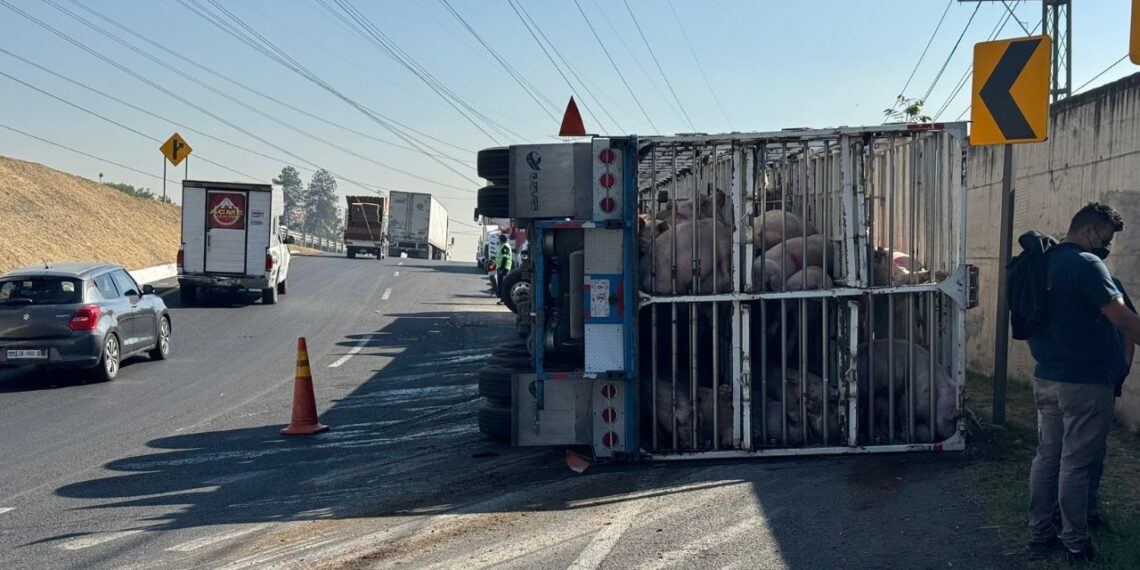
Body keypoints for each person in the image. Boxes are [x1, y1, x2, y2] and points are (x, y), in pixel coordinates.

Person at [1025, 202, 1140, 562]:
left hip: (1047, 376)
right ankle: (1076, 542)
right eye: (1104, 239)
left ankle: (1040, 533)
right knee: (1076, 464)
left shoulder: (1043, 261)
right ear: (1090, 232)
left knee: (1047, 457)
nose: (1104, 247)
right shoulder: (1087, 264)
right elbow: (1121, 317)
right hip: (1085, 382)